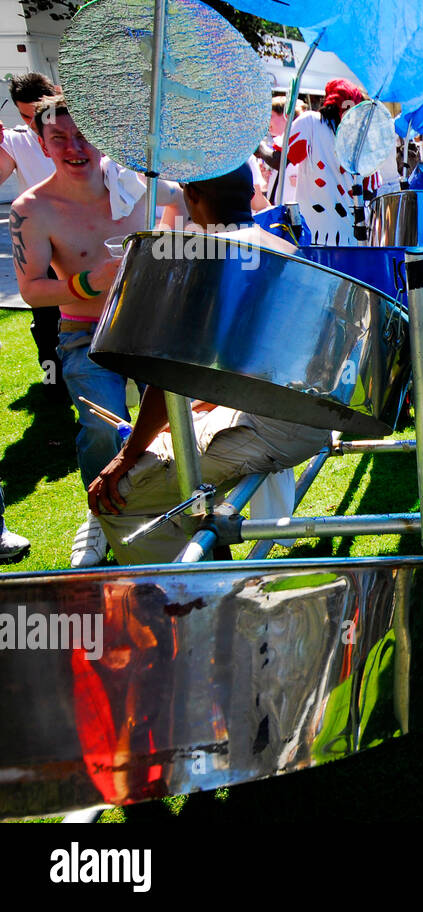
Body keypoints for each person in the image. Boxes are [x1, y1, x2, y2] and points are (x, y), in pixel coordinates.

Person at [88, 165, 333, 564]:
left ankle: (189, 602)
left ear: (192, 195)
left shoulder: (206, 258)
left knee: (121, 496)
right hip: (306, 416)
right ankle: (212, 557)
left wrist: (127, 456)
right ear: (251, 191)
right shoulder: (285, 248)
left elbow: (171, 375)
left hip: (273, 428)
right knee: (163, 446)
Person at [9, 94, 183, 566]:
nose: (73, 146)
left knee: (175, 425)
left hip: (151, 328)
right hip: (87, 333)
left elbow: (194, 199)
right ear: (42, 145)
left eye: (83, 134)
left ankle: (174, 504)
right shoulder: (32, 208)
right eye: (59, 138)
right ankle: (101, 512)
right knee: (100, 426)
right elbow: (32, 291)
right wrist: (89, 280)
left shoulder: (134, 187)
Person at [0, 73, 61, 397]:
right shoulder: (16, 139)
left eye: (39, 113)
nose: (34, 123)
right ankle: (53, 381)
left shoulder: (74, 131)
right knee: (47, 319)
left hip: (85, 241)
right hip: (42, 245)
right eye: (25, 116)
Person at [261, 77, 367, 246]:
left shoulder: (311, 120)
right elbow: (369, 188)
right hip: (352, 234)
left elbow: (280, 161)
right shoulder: (357, 136)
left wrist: (259, 149)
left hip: (315, 232)